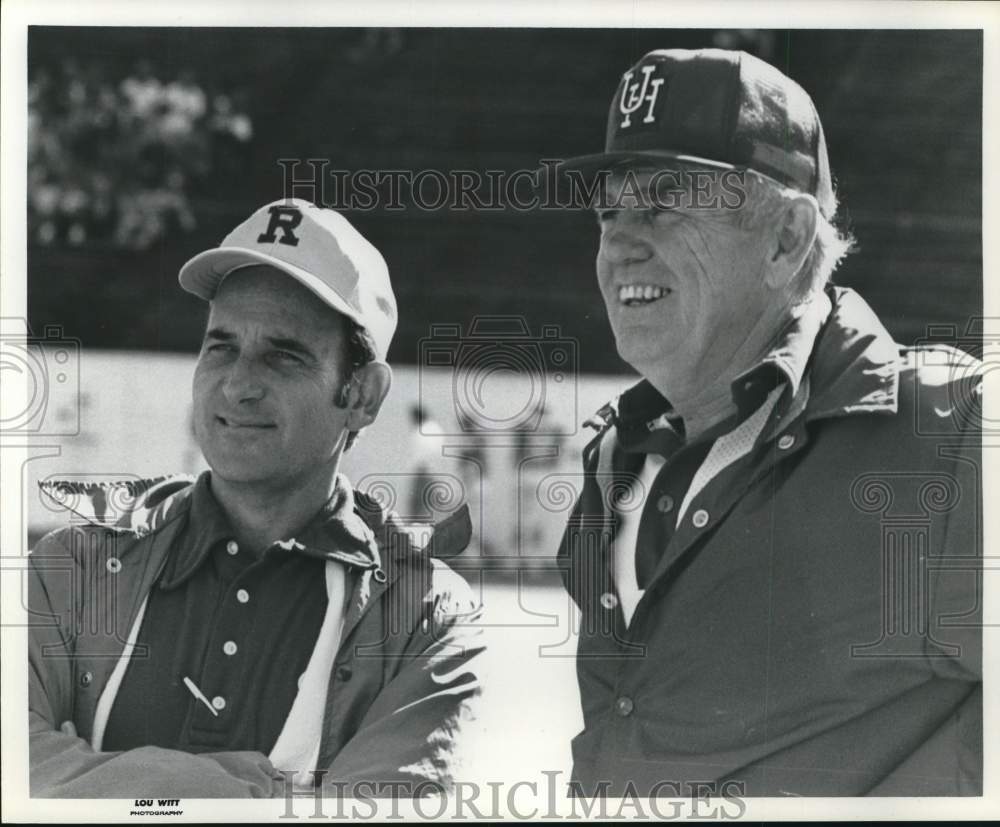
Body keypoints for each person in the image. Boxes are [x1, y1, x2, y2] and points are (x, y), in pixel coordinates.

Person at [555, 49, 982, 797]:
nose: (620, 241)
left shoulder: (951, 433)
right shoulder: (613, 461)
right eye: (608, 210)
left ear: (786, 237)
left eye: (662, 202)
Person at [28, 198, 484, 798]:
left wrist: (91, 779)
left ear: (362, 397)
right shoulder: (73, 564)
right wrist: (214, 791)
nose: (238, 384)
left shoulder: (424, 614)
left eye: (283, 355)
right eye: (220, 346)